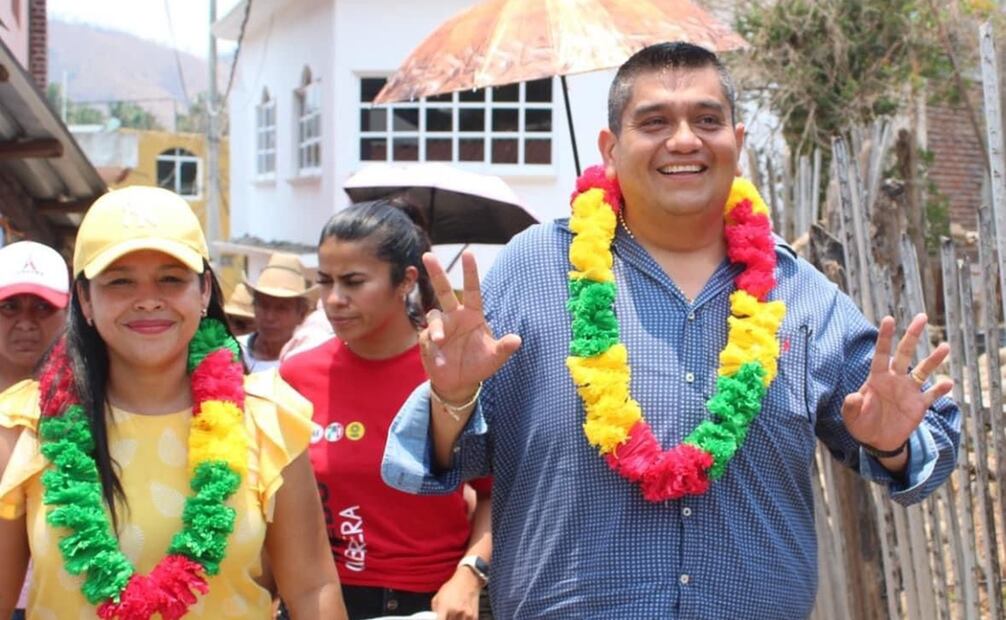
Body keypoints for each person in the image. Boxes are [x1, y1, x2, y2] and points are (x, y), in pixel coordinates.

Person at [381, 42, 960, 618]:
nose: (684, 140)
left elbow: (922, 450)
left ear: (738, 141)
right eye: (654, 121)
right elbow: (433, 467)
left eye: (707, 120)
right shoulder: (532, 270)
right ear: (610, 147)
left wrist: (892, 443)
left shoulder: (799, 292)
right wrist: (452, 400)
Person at [0, 186, 347, 619]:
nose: (148, 298)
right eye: (120, 280)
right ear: (85, 300)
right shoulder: (25, 425)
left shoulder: (267, 420)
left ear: (203, 292)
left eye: (171, 278)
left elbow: (312, 587)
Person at [281, 200, 491, 620]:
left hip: (435, 604)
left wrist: (468, 576)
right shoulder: (296, 377)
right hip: (321, 601)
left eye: (354, 282)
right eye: (325, 282)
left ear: (405, 281)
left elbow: (496, 494)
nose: (334, 300)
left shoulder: (450, 371)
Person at [0, 241, 70, 620]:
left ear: (70, 312)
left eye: (42, 307)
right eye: (9, 306)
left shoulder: (98, 404)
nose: (25, 322)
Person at [240, 253, 314, 372]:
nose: (270, 317)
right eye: (263, 305)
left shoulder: (307, 363)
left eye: (282, 308)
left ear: (301, 314)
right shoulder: (232, 353)